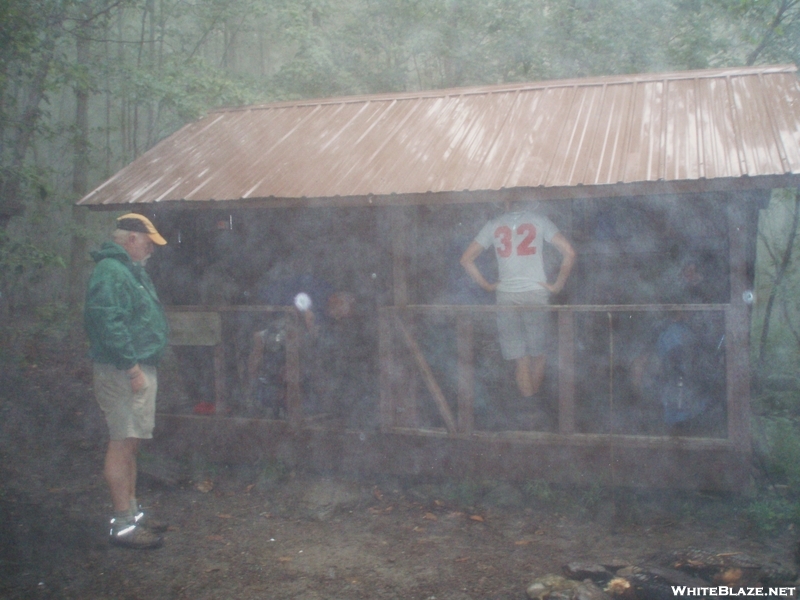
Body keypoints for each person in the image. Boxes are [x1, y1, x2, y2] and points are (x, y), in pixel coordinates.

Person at [84, 213, 169, 549]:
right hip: (122, 371)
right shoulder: (111, 271)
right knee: (122, 443)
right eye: (148, 242)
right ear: (132, 238)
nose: (151, 249)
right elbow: (106, 321)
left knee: (131, 441)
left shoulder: (129, 271)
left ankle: (133, 514)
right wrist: (131, 368)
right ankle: (123, 526)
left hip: (133, 367)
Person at [460, 197, 576, 407]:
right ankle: (534, 407)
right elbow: (569, 252)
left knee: (520, 358)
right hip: (536, 294)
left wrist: (487, 285)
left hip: (506, 296)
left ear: (505, 203)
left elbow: (466, 259)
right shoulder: (540, 220)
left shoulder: (493, 224)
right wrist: (557, 285)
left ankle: (527, 407)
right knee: (538, 354)